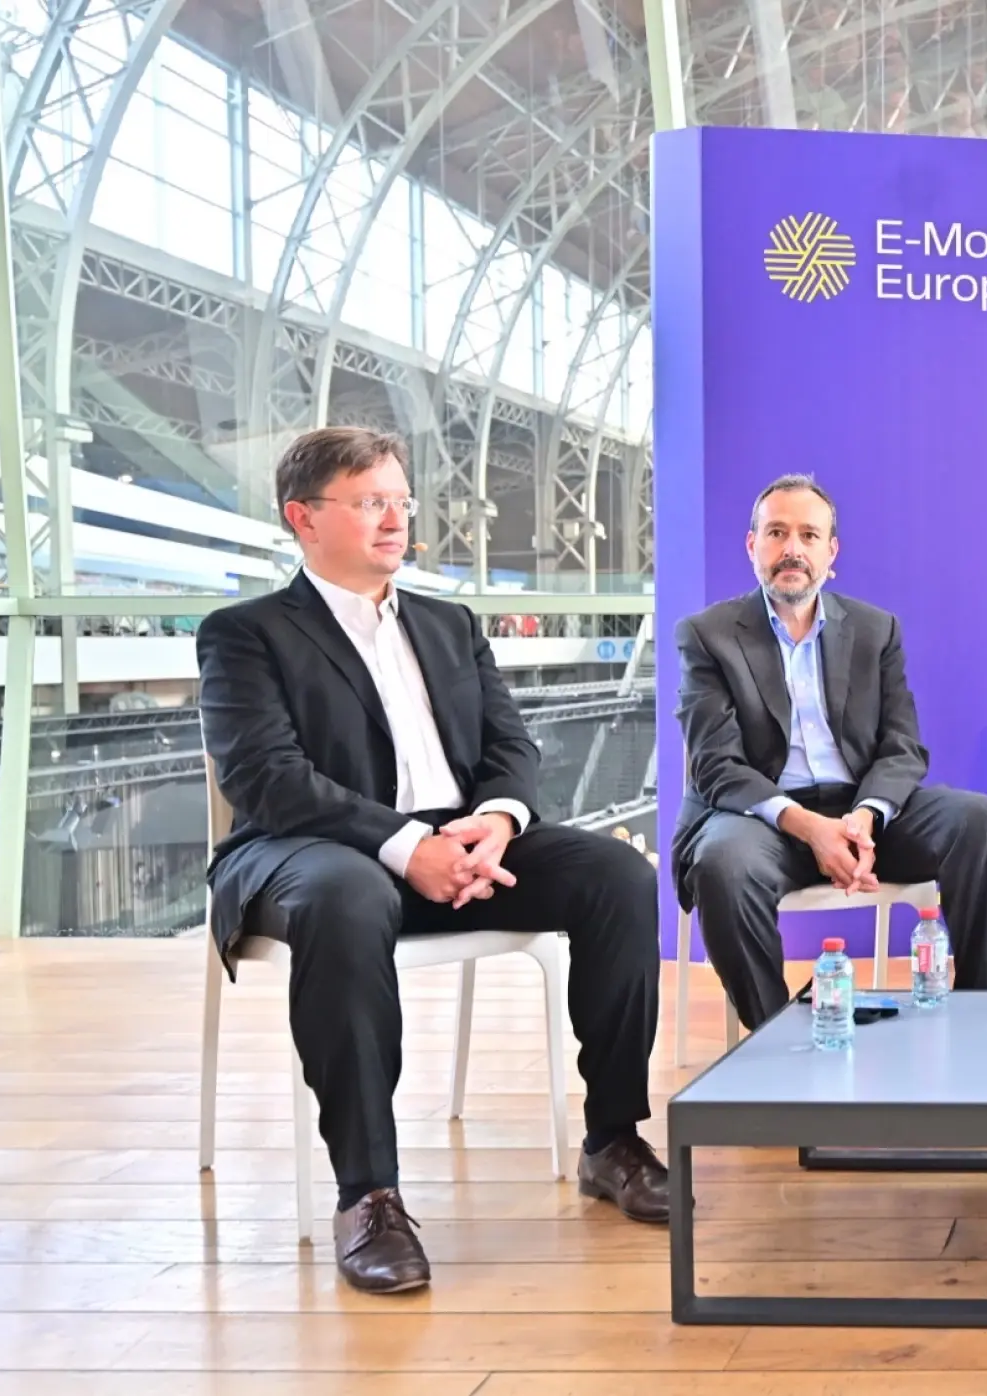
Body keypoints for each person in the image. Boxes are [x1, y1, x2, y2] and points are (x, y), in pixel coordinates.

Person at [198, 427, 667, 1296]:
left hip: (459, 840)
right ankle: (368, 1194)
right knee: (344, 898)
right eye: (369, 501)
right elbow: (267, 779)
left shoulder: (449, 625)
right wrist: (408, 846)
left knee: (617, 876)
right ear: (303, 517)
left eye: (399, 501)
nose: (393, 519)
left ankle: (613, 1141)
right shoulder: (245, 634)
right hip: (308, 851)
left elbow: (511, 748)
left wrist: (495, 820)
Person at [673, 474, 987, 1027]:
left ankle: (979, 1021)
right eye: (777, 533)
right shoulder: (707, 634)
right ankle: (775, 1042)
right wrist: (812, 828)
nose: (792, 550)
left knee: (981, 821)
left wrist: (861, 817)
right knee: (722, 865)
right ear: (752, 545)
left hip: (862, 813)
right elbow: (716, 766)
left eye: (809, 536)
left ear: (831, 552)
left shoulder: (875, 630)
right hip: (763, 819)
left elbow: (902, 746)